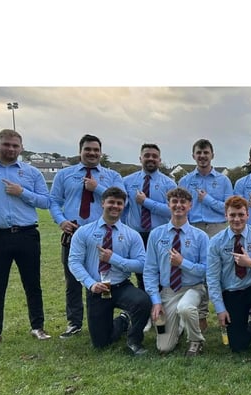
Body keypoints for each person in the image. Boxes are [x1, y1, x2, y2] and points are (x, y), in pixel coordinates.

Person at [0, 129, 52, 347]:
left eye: (15, 146)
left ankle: (38, 327)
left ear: (21, 148)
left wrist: (21, 192)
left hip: (26, 234)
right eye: (6, 144)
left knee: (32, 284)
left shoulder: (31, 173)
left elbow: (45, 202)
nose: (11, 149)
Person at [49, 134, 126, 339]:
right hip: (73, 232)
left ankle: (103, 318)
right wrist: (61, 220)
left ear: (101, 152)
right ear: (80, 151)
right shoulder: (64, 175)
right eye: (87, 149)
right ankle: (74, 323)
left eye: (95, 150)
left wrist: (98, 188)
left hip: (103, 235)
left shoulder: (112, 176)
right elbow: (54, 201)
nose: (92, 153)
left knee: (103, 277)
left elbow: (121, 201)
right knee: (73, 279)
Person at [67, 187, 151, 355]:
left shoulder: (131, 235)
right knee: (101, 344)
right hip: (97, 289)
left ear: (124, 206)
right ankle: (122, 320)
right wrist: (91, 284)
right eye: (111, 202)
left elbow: (142, 264)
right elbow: (74, 262)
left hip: (121, 286)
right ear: (102, 203)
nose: (115, 206)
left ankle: (134, 341)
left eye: (119, 203)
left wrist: (113, 259)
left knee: (143, 302)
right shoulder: (84, 232)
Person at [206, 195, 251, 363]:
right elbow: (212, 277)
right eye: (232, 215)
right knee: (238, 346)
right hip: (231, 291)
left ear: (247, 215)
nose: (237, 219)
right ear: (226, 216)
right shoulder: (216, 242)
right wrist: (220, 308)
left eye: (240, 214)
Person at [144, 187, 210, 356]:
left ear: (190, 206)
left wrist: (183, 263)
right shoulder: (156, 235)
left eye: (183, 202)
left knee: (185, 308)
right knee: (164, 347)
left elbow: (206, 271)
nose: (178, 205)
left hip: (193, 288)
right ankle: (179, 326)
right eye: (175, 202)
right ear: (168, 205)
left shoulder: (200, 236)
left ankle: (196, 340)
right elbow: (150, 270)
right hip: (168, 292)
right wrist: (156, 301)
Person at [178, 138, 234, 334]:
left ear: (212, 155)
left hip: (217, 228)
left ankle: (226, 312)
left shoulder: (223, 180)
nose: (202, 156)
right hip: (193, 228)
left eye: (206, 153)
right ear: (193, 156)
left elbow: (228, 208)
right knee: (198, 273)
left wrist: (207, 199)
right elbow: (180, 206)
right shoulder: (185, 181)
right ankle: (200, 315)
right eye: (199, 153)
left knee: (220, 271)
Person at [122, 143, 177, 291]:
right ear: (140, 158)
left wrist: (146, 202)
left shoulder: (169, 183)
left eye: (154, 156)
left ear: (160, 160)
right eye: (147, 155)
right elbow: (122, 208)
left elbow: (172, 210)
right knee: (142, 274)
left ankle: (161, 308)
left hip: (160, 235)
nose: (150, 159)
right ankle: (145, 309)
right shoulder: (127, 182)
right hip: (136, 235)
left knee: (161, 274)